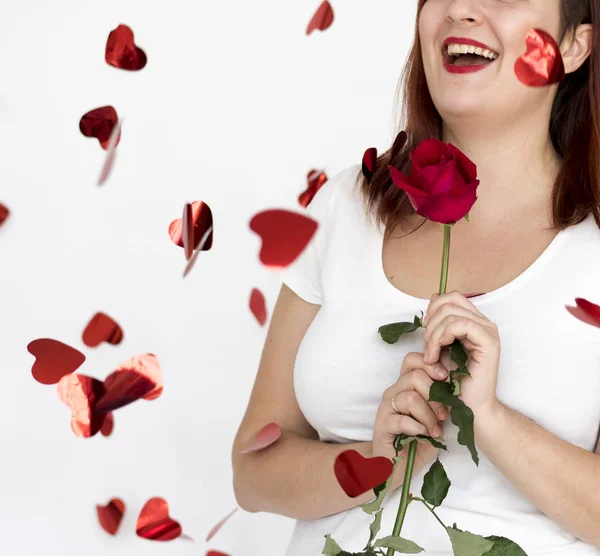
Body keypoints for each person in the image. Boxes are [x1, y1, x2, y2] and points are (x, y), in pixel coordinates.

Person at [232, 0, 600, 554]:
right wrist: (379, 463)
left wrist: (488, 420)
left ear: (573, 46)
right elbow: (252, 472)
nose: (459, 9)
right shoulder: (347, 206)